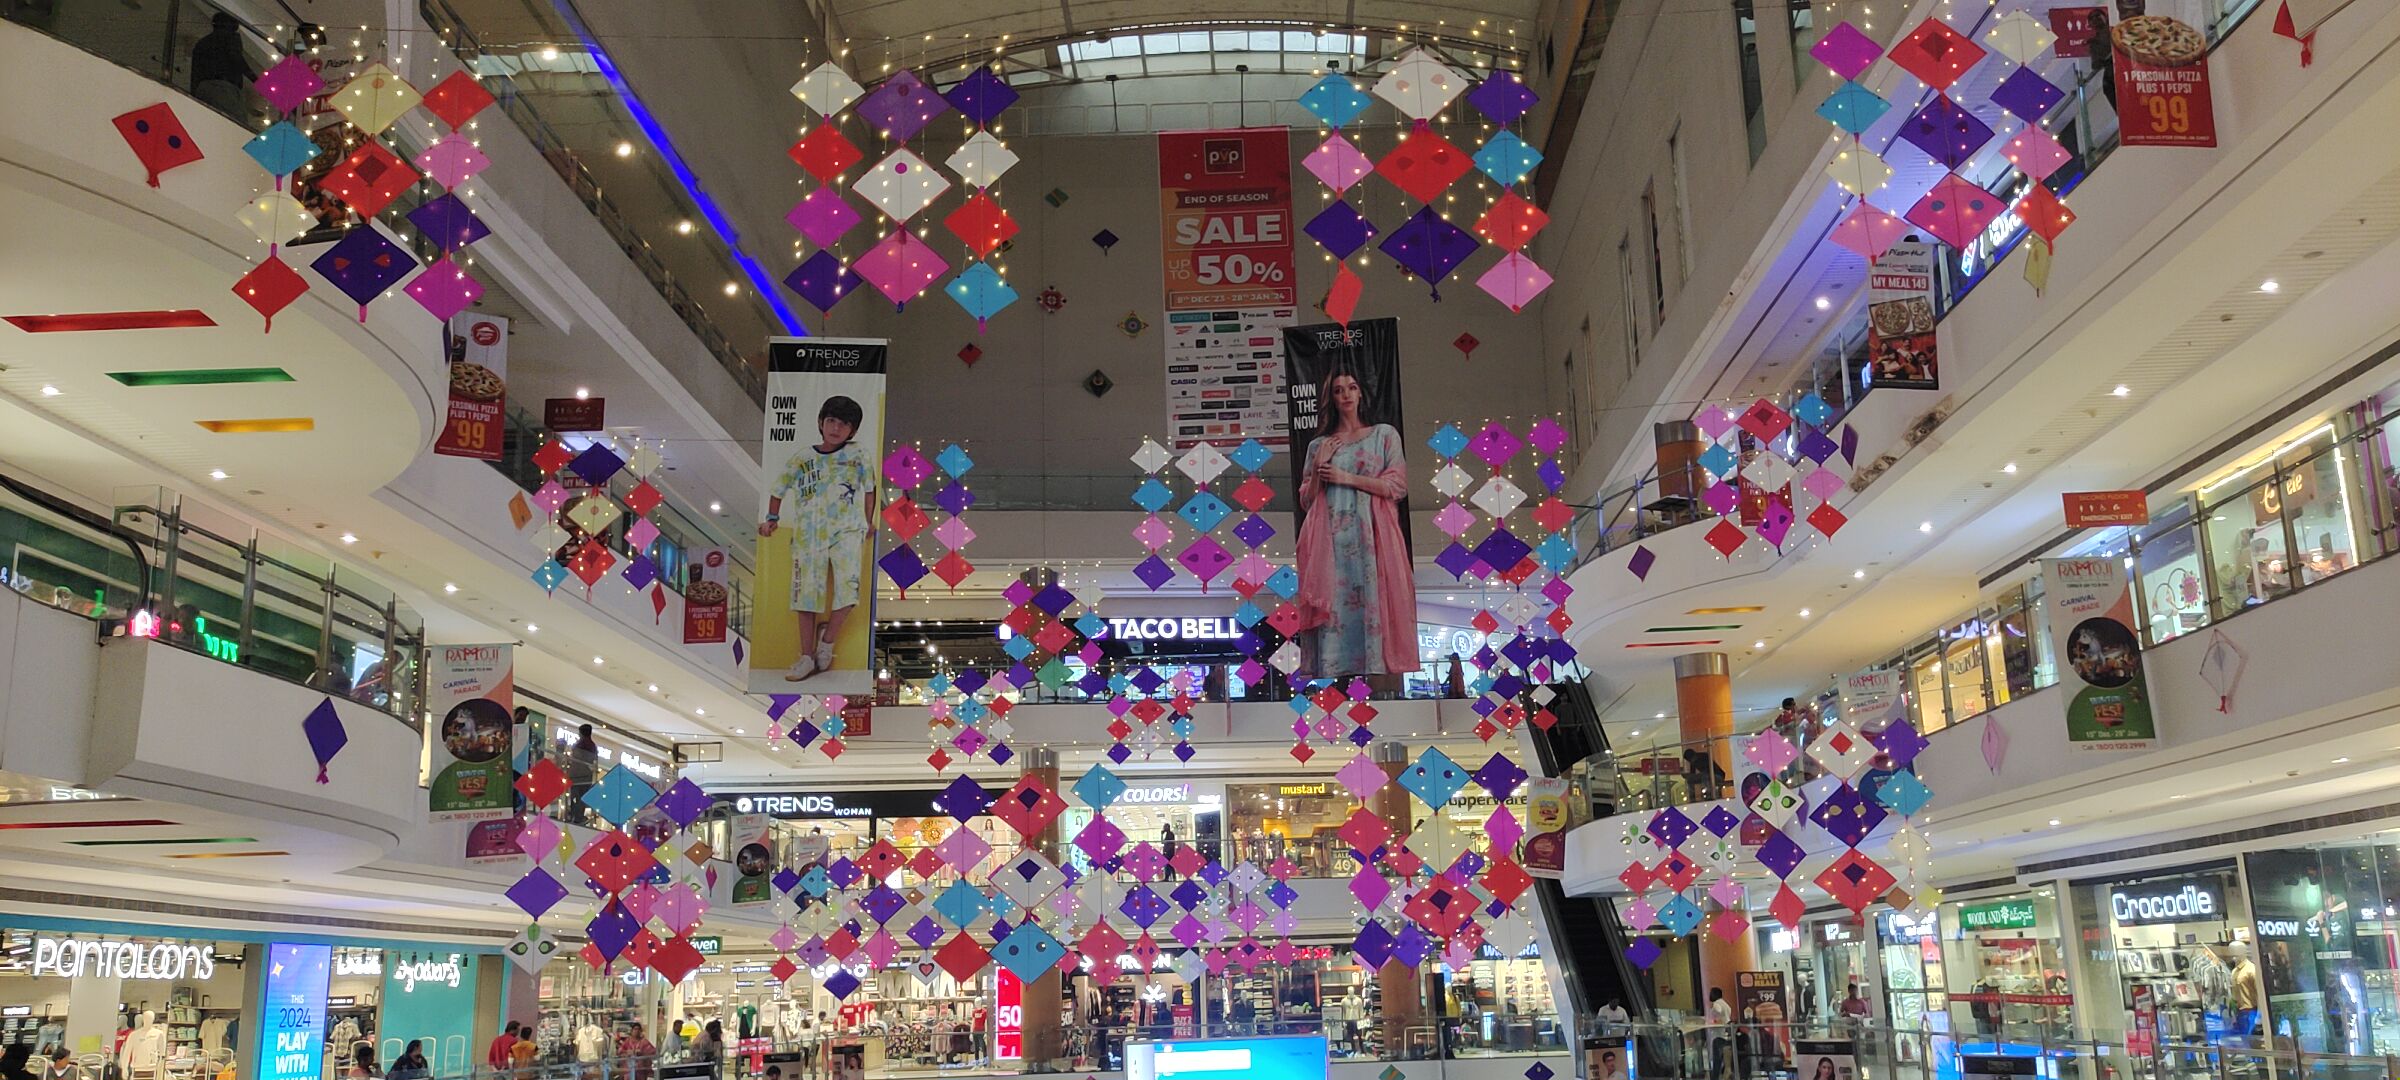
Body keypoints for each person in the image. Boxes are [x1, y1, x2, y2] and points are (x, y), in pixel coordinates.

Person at [1293, 370, 1417, 678]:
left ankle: (1376, 675)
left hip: (1372, 536)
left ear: (1361, 392)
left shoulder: (1383, 435)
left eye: (1351, 387)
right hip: (1331, 540)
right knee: (1334, 601)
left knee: (1374, 596)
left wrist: (1345, 477)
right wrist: (1319, 466)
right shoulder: (1319, 445)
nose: (1346, 394)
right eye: (1338, 390)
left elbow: (1397, 486)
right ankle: (1333, 674)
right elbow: (1307, 499)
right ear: (1331, 398)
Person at [760, 395, 873, 683]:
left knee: (849, 591)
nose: (836, 428)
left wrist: (868, 520)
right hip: (809, 534)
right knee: (806, 598)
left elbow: (870, 489)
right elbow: (778, 489)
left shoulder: (858, 454)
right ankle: (806, 657)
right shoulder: (802, 458)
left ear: (853, 430)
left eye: (844, 424)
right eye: (831, 421)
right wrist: (772, 518)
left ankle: (827, 642)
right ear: (821, 422)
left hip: (848, 531)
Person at [189, 13, 257, 120]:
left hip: (202, 89)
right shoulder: (230, 37)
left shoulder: (202, 43)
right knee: (236, 123)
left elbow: (195, 73)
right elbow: (236, 58)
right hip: (224, 88)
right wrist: (256, 79)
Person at [566, 722, 600, 821]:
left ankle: (575, 814)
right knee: (582, 797)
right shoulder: (592, 746)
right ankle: (578, 815)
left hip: (577, 775)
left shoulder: (581, 744)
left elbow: (577, 757)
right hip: (586, 776)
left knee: (575, 795)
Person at [2087, 9, 2118, 109]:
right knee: (2108, 86)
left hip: (2123, 64)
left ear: (2105, 18)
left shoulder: (2115, 31)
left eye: (2098, 16)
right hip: (2111, 68)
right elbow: (2095, 65)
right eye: (2092, 18)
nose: (2095, 19)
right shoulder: (2093, 43)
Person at [1707, 988, 1734, 1080]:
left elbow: (1718, 1011)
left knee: (1717, 1060)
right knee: (1725, 1060)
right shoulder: (1726, 1005)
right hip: (1726, 1034)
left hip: (1718, 1035)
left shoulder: (1716, 1004)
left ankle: (1715, 1077)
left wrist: (1714, 1019)